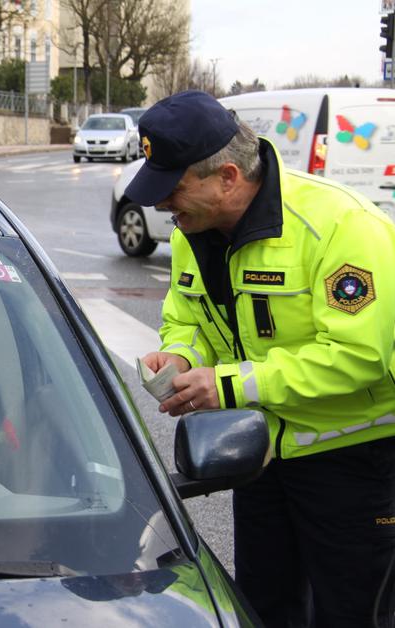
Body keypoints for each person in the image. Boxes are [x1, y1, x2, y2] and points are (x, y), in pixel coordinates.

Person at [126, 90, 395, 626]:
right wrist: (178, 357)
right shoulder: (192, 230)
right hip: (260, 455)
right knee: (262, 607)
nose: (161, 205)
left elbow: (360, 355)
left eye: (173, 188)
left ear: (228, 177)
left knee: (352, 613)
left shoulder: (341, 226)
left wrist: (227, 387)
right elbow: (186, 318)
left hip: (354, 465)